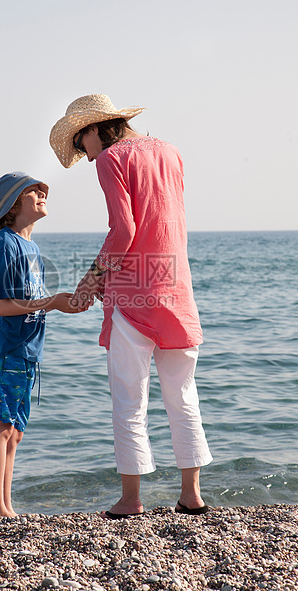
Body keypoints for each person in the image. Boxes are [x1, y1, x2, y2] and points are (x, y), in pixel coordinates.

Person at [50, 94, 213, 518]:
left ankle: (130, 500)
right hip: (175, 286)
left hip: (134, 293)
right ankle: (191, 496)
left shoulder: (110, 159)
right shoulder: (171, 151)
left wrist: (89, 284)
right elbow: (165, 222)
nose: (84, 156)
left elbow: (124, 230)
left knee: (129, 399)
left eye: (79, 142)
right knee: (183, 396)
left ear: (93, 129)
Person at [0, 171, 82, 518]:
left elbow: (34, 299)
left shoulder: (31, 247)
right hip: (7, 347)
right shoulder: (5, 244)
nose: (42, 193)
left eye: (43, 190)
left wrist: (63, 303)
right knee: (2, 427)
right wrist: (50, 302)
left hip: (27, 351)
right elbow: (0, 305)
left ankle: (6, 507)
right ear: (12, 205)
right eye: (32, 190)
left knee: (16, 433)